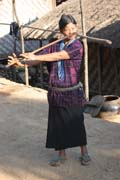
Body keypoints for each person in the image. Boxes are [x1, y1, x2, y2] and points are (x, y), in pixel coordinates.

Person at [8, 14, 91, 166]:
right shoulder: (54, 45)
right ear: (61, 31)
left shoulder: (77, 46)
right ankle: (61, 155)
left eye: (74, 28)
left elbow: (58, 56)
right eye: (67, 29)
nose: (71, 31)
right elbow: (38, 59)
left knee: (77, 121)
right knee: (57, 123)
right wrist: (22, 63)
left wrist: (36, 55)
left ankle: (84, 152)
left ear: (77, 28)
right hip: (55, 92)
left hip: (72, 92)